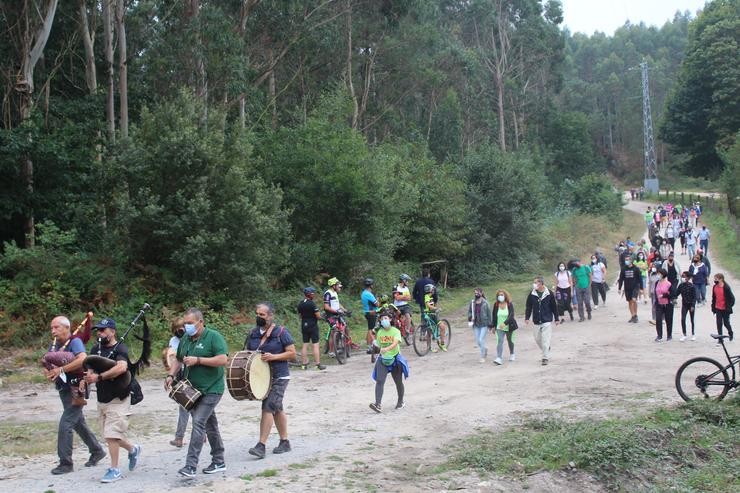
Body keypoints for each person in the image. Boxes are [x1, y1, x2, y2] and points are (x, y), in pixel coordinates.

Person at [165, 308, 228, 478]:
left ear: (200, 322)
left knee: (198, 422)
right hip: (192, 390)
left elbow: (223, 359)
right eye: (185, 323)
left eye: (190, 323)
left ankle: (190, 466)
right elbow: (178, 359)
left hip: (212, 389)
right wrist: (171, 375)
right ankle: (219, 460)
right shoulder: (185, 339)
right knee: (210, 425)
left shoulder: (213, 337)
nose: (186, 327)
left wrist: (199, 360)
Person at [44, 316, 106, 475]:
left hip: (78, 386)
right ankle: (97, 450)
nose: (53, 331)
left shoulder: (75, 342)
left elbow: (83, 360)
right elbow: (55, 362)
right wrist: (49, 369)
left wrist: (61, 370)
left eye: (56, 327)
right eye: (52, 328)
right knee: (77, 422)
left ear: (66, 328)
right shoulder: (56, 344)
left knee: (66, 423)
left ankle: (66, 463)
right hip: (65, 387)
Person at [82, 318, 141, 483]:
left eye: (103, 330)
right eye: (98, 330)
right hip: (103, 398)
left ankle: (114, 469)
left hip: (119, 397)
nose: (100, 333)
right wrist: (85, 379)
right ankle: (133, 449)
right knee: (109, 436)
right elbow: (89, 368)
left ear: (112, 332)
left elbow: (122, 367)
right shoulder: (95, 349)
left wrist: (99, 377)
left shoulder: (120, 348)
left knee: (111, 434)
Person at [246, 302, 297, 459]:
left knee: (268, 407)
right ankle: (285, 441)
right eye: (257, 314)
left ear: (270, 316)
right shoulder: (253, 333)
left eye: (262, 314)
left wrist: (274, 356)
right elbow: (248, 354)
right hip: (262, 378)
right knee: (277, 408)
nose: (259, 317)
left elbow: (292, 353)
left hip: (279, 376)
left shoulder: (281, 332)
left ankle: (261, 445)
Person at [369, 313, 409, 413]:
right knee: (380, 381)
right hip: (383, 359)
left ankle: (400, 402)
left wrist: (386, 348)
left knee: (398, 382)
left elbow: (396, 343)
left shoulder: (395, 331)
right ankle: (377, 404)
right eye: (382, 319)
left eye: (386, 318)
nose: (384, 320)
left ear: (390, 319)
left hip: (395, 359)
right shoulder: (380, 332)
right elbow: (378, 345)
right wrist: (375, 344)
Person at [165, 318, 191, 447]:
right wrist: (171, 374)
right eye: (176, 329)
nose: (178, 331)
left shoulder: (193, 339)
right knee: (184, 405)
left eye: (180, 328)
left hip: (192, 373)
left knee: (194, 405)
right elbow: (173, 357)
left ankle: (201, 434)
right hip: (180, 374)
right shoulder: (174, 341)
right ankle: (179, 437)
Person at [525, 276, 560, 365]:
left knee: (545, 340)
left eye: (536, 282)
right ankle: (546, 348)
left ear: (541, 284)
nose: (534, 284)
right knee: (537, 338)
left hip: (546, 320)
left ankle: (545, 358)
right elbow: (529, 306)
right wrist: (527, 317)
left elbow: (554, 307)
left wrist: (556, 318)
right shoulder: (532, 294)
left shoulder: (549, 293)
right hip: (536, 320)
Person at [297, 287, 326, 370]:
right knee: (315, 345)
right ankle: (318, 365)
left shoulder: (300, 304)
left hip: (304, 325)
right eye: (313, 293)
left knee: (305, 344)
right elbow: (318, 316)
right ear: (310, 294)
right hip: (313, 325)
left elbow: (300, 316)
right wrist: (322, 317)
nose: (314, 295)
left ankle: (304, 365)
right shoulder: (312, 304)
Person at [491, 289, 517, 365]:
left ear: (505, 296)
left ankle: (512, 353)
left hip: (509, 326)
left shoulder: (509, 304)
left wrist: (505, 323)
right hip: (499, 327)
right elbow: (494, 316)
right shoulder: (496, 304)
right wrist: (493, 326)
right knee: (500, 341)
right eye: (499, 295)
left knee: (510, 341)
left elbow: (511, 315)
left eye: (502, 295)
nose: (500, 296)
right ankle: (499, 358)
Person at [467, 288, 492, 363]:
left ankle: (482, 356)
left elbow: (489, 314)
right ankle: (484, 349)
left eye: (477, 293)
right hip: (476, 324)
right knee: (478, 341)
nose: (476, 294)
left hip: (484, 324)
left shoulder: (485, 303)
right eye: (475, 293)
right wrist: (470, 317)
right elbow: (469, 312)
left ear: (481, 293)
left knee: (481, 339)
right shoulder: (472, 303)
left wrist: (490, 324)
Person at [617, 257, 642, 323]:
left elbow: (640, 279)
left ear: (631, 261)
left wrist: (641, 288)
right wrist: (619, 288)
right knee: (630, 302)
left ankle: (636, 315)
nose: (626, 261)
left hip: (635, 287)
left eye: (628, 260)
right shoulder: (623, 269)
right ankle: (633, 315)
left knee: (634, 300)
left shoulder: (636, 268)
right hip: (627, 288)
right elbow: (621, 279)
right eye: (626, 260)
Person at [711, 273, 735, 341]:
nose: (715, 280)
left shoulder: (726, 288)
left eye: (716, 279)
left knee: (726, 323)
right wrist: (713, 307)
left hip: (725, 309)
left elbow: (732, 299)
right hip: (718, 308)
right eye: (714, 279)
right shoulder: (714, 287)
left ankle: (730, 333)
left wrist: (729, 307)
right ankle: (720, 339)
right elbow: (714, 298)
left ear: (721, 279)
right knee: (719, 323)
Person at [653, 269, 675, 342]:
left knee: (668, 320)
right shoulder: (657, 283)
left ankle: (669, 335)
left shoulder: (668, 284)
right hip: (659, 304)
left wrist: (664, 295)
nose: (658, 275)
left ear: (663, 275)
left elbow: (672, 294)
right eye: (657, 274)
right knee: (658, 319)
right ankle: (659, 335)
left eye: (659, 274)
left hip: (667, 304)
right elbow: (655, 293)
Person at [424, 284, 447, 352]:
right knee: (429, 332)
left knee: (442, 327)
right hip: (429, 315)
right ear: (431, 290)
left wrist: (436, 309)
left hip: (434, 315)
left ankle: (442, 344)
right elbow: (428, 305)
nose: (434, 290)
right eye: (433, 289)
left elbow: (433, 304)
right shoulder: (427, 296)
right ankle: (429, 347)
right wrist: (436, 308)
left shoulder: (432, 297)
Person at [361, 278, 380, 354]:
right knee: (371, 330)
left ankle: (369, 346)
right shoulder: (369, 294)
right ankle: (371, 347)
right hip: (371, 312)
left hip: (367, 312)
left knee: (369, 328)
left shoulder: (364, 293)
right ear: (371, 285)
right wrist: (378, 299)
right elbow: (377, 304)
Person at [677, 272, 697, 341]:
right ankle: (684, 334)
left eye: (684, 276)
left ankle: (693, 333)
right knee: (683, 319)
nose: (683, 278)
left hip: (691, 304)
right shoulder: (681, 285)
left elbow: (695, 297)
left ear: (688, 277)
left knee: (692, 319)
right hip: (684, 304)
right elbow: (677, 293)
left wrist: (693, 305)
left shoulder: (692, 286)